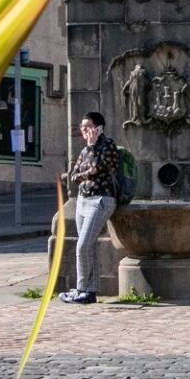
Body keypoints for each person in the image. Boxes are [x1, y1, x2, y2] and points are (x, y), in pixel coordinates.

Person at [61, 111, 120, 304]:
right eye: (82, 128)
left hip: (101, 200)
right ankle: (90, 291)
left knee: (83, 245)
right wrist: (87, 172)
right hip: (82, 201)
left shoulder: (107, 145)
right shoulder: (84, 151)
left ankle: (80, 289)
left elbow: (100, 167)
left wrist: (89, 165)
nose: (84, 131)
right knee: (89, 247)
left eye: (88, 127)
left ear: (98, 128)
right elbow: (74, 176)